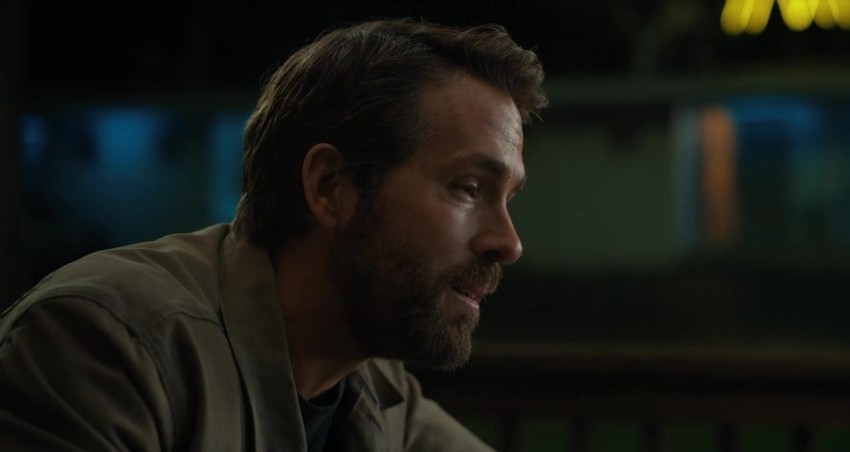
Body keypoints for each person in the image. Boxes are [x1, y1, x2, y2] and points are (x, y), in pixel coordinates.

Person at [0, 17, 546, 451]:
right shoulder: (108, 344)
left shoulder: (372, 381)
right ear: (330, 187)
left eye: (509, 199)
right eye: (469, 188)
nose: (509, 242)